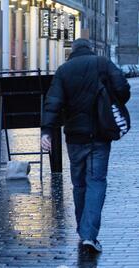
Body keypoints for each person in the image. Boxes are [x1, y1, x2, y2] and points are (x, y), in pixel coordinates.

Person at [41, 38, 131, 253]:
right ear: (90, 49)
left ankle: (84, 233)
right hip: (100, 134)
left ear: (72, 51)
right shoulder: (103, 63)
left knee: (79, 184)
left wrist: (46, 131)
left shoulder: (63, 71)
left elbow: (53, 102)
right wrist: (109, 100)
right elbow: (123, 88)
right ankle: (89, 235)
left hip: (75, 136)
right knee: (96, 181)